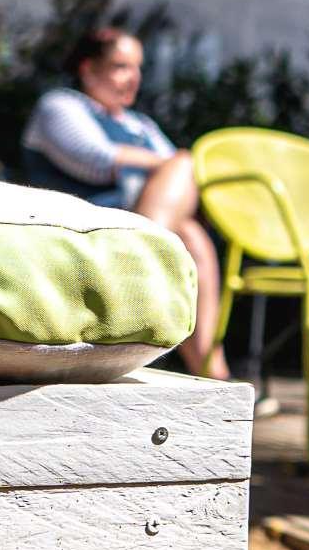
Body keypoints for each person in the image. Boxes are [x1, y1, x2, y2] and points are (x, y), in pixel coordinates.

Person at [21, 26, 229, 379]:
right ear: (88, 69)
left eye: (138, 68)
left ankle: (215, 372)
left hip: (136, 219)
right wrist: (167, 164)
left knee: (192, 234)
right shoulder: (60, 106)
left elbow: (180, 182)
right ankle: (141, 270)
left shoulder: (140, 125)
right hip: (81, 223)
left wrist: (173, 166)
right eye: (121, 66)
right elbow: (94, 159)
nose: (134, 78)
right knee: (184, 169)